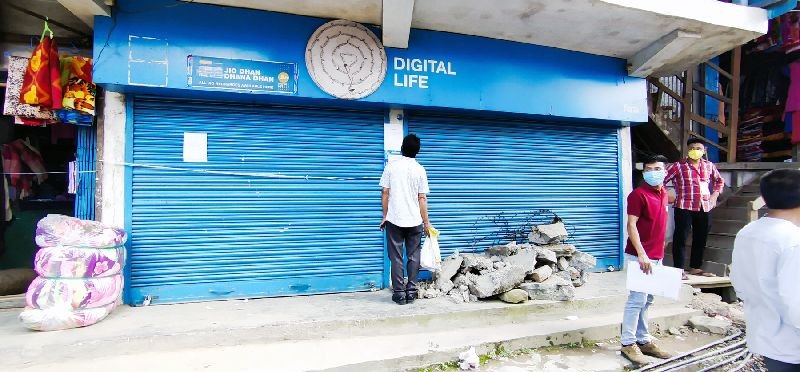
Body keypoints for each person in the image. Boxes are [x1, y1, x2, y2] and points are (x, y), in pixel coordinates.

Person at [731, 169, 800, 371]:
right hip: (792, 344)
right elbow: (796, 302)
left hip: (765, 335)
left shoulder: (748, 231)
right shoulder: (793, 240)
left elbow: (739, 285)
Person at [621, 155, 673, 365]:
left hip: (656, 255)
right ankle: (627, 343)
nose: (653, 172)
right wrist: (641, 253)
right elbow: (631, 225)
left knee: (648, 300)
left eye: (657, 168)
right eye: (648, 169)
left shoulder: (663, 194)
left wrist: (659, 253)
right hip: (639, 255)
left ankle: (643, 340)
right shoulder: (638, 195)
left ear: (665, 171)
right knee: (637, 300)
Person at [379, 134, 433, 305]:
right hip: (415, 221)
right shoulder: (420, 170)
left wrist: (385, 216)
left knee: (395, 257)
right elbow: (422, 198)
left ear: (402, 148)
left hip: (394, 219)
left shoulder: (391, 167)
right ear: (418, 151)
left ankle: (399, 294)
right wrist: (426, 222)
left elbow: (385, 193)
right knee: (413, 255)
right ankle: (411, 291)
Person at [664, 138, 724, 278]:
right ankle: (679, 270)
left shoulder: (709, 166)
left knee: (700, 238)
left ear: (704, 151)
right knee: (681, 238)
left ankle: (695, 267)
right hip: (684, 206)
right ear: (687, 150)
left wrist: (715, 195)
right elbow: (662, 180)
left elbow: (719, 180)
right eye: (692, 148)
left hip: (705, 206)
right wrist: (669, 194)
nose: (695, 151)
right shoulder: (678, 166)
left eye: (698, 148)